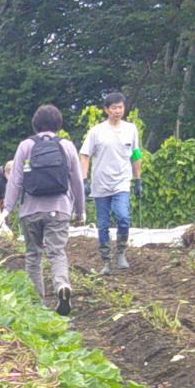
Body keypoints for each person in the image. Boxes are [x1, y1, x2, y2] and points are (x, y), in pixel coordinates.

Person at [2, 104, 85, 317]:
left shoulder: (26, 146)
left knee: (33, 255)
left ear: (35, 124)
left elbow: (15, 180)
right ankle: (61, 286)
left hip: (30, 210)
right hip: (59, 209)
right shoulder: (66, 146)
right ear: (58, 124)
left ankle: (37, 303)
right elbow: (77, 180)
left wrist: (6, 210)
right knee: (57, 252)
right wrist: (80, 211)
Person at [80, 91, 142, 272]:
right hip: (100, 184)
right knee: (103, 224)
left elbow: (136, 154)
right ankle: (106, 260)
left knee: (123, 216)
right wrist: (84, 179)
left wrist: (138, 179)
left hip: (122, 181)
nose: (117, 111)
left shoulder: (131, 129)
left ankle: (121, 252)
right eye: (114, 108)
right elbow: (84, 155)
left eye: (120, 107)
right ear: (106, 109)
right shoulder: (97, 132)